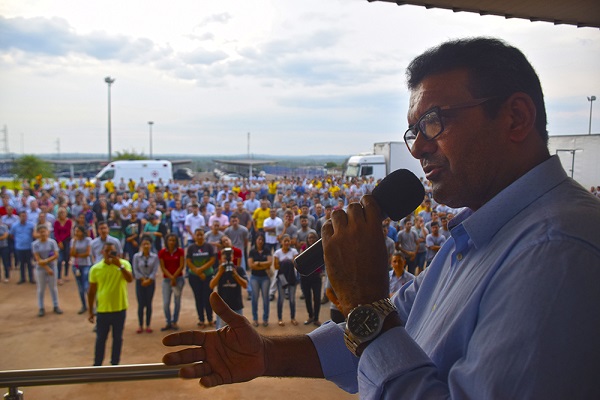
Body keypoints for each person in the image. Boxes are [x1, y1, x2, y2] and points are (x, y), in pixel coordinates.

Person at [162, 38, 600, 399]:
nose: (418, 148)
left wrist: (365, 302)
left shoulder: (557, 250)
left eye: (434, 122)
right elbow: (400, 322)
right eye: (413, 132)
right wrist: (267, 355)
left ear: (516, 117)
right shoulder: (477, 236)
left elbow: (380, 327)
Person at [88, 242, 133, 366]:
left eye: (112, 252)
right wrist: (90, 310)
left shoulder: (124, 264)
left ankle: (115, 363)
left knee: (117, 338)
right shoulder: (95, 269)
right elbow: (91, 291)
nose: (109, 254)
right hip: (103, 309)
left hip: (120, 308)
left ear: (117, 253)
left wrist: (120, 266)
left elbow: (130, 279)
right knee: (100, 339)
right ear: (102, 252)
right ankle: (97, 364)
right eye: (107, 251)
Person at [209, 246, 248, 330]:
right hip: (222, 306)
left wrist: (235, 274)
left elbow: (245, 285)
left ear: (233, 257)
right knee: (221, 331)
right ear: (221, 258)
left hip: (236, 305)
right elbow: (211, 285)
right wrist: (220, 273)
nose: (227, 259)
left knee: (239, 330)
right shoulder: (218, 270)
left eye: (229, 256)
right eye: (224, 257)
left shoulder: (239, 269)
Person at [186, 229, 216, 328]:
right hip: (194, 277)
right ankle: (201, 320)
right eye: (197, 235)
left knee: (208, 298)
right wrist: (197, 271)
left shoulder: (209, 246)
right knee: (198, 298)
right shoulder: (191, 248)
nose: (199, 237)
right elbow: (188, 261)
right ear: (194, 236)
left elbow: (212, 260)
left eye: (201, 235)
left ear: (204, 236)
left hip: (208, 276)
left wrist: (201, 269)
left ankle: (210, 319)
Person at [32, 225, 63, 317]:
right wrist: (47, 268)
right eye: (40, 232)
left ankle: (56, 305)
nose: (43, 233)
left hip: (52, 267)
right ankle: (41, 307)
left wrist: (45, 261)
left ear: (48, 232)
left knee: (53, 287)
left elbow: (56, 255)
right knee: (41, 289)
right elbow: (37, 258)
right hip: (41, 269)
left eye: (44, 231)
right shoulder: (35, 244)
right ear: (38, 233)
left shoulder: (52, 242)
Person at [132, 236, 160, 334]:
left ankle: (148, 325)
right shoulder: (136, 256)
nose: (146, 246)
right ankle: (140, 325)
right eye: (144, 244)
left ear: (150, 245)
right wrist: (143, 279)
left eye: (147, 244)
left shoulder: (155, 257)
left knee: (148, 304)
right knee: (141, 304)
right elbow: (135, 270)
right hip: (140, 282)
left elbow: (155, 270)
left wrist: (149, 279)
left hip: (150, 282)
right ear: (141, 245)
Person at [158, 234, 185, 331]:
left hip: (179, 279)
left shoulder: (180, 251)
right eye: (170, 240)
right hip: (166, 280)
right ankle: (168, 321)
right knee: (166, 302)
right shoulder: (162, 252)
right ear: (166, 241)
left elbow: (181, 265)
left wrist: (174, 278)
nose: (172, 242)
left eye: (173, 240)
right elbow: (162, 267)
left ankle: (174, 322)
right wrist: (171, 278)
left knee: (177, 301)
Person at [273, 234, 299, 327]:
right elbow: (275, 266)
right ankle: (280, 318)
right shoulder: (277, 252)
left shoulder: (294, 251)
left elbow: (296, 264)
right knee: (281, 299)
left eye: (288, 241)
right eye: (285, 241)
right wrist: (287, 262)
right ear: (281, 242)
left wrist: (285, 263)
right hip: (282, 278)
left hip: (292, 277)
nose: (287, 243)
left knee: (292, 299)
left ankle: (293, 318)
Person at [247, 233, 272, 327]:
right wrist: (263, 265)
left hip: (265, 278)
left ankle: (265, 319)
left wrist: (257, 264)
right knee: (254, 299)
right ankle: (255, 319)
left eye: (262, 239)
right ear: (256, 240)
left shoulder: (267, 250)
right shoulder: (252, 251)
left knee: (266, 299)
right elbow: (250, 265)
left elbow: (270, 263)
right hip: (255, 278)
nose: (260, 241)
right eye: (258, 239)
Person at [70, 225, 93, 314]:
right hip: (76, 265)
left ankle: (91, 305)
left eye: (78, 231)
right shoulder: (73, 241)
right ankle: (83, 305)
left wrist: (77, 255)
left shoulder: (88, 240)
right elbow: (71, 253)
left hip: (86, 264)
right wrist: (75, 243)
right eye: (75, 231)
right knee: (80, 288)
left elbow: (87, 253)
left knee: (87, 286)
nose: (76, 233)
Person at [10, 210, 35, 284]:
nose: (23, 217)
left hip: (28, 247)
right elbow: (11, 235)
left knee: (29, 263)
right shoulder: (14, 226)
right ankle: (22, 278)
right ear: (19, 217)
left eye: (25, 216)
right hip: (19, 247)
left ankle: (31, 278)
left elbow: (33, 234)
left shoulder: (31, 225)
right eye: (22, 216)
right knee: (21, 264)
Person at [53, 207, 72, 285]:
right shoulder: (56, 222)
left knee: (67, 258)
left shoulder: (68, 222)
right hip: (59, 242)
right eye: (61, 213)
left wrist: (62, 240)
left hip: (67, 241)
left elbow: (68, 232)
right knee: (59, 260)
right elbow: (56, 233)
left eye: (63, 213)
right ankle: (59, 277)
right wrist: (59, 241)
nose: (62, 215)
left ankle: (66, 274)